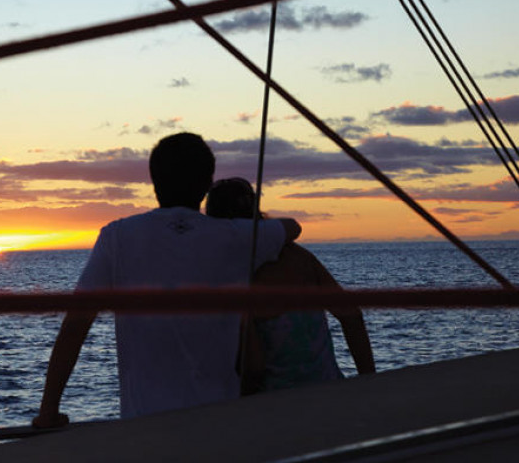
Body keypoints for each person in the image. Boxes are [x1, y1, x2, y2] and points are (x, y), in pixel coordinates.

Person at [33, 133, 301, 428]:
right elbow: (292, 227)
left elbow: (75, 326)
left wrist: (48, 411)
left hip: (144, 427)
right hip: (220, 422)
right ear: (206, 183)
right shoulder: (236, 237)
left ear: (154, 181)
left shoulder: (117, 237)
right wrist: (244, 226)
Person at [206, 177, 376, 394]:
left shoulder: (234, 276)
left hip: (273, 404)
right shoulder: (300, 257)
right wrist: (369, 381)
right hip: (329, 389)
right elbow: (351, 316)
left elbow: (254, 368)